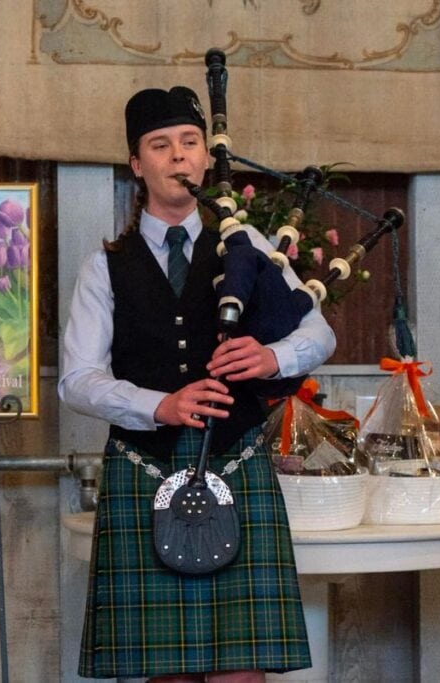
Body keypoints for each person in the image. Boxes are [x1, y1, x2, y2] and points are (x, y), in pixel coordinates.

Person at [59, 85, 336, 683]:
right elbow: (77, 381)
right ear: (138, 165)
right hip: (146, 468)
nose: (178, 156)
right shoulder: (105, 266)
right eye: (161, 146)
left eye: (189, 143)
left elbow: (318, 331)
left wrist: (270, 355)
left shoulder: (248, 246)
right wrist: (160, 404)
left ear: (206, 160)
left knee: (241, 672)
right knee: (168, 672)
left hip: (235, 465)